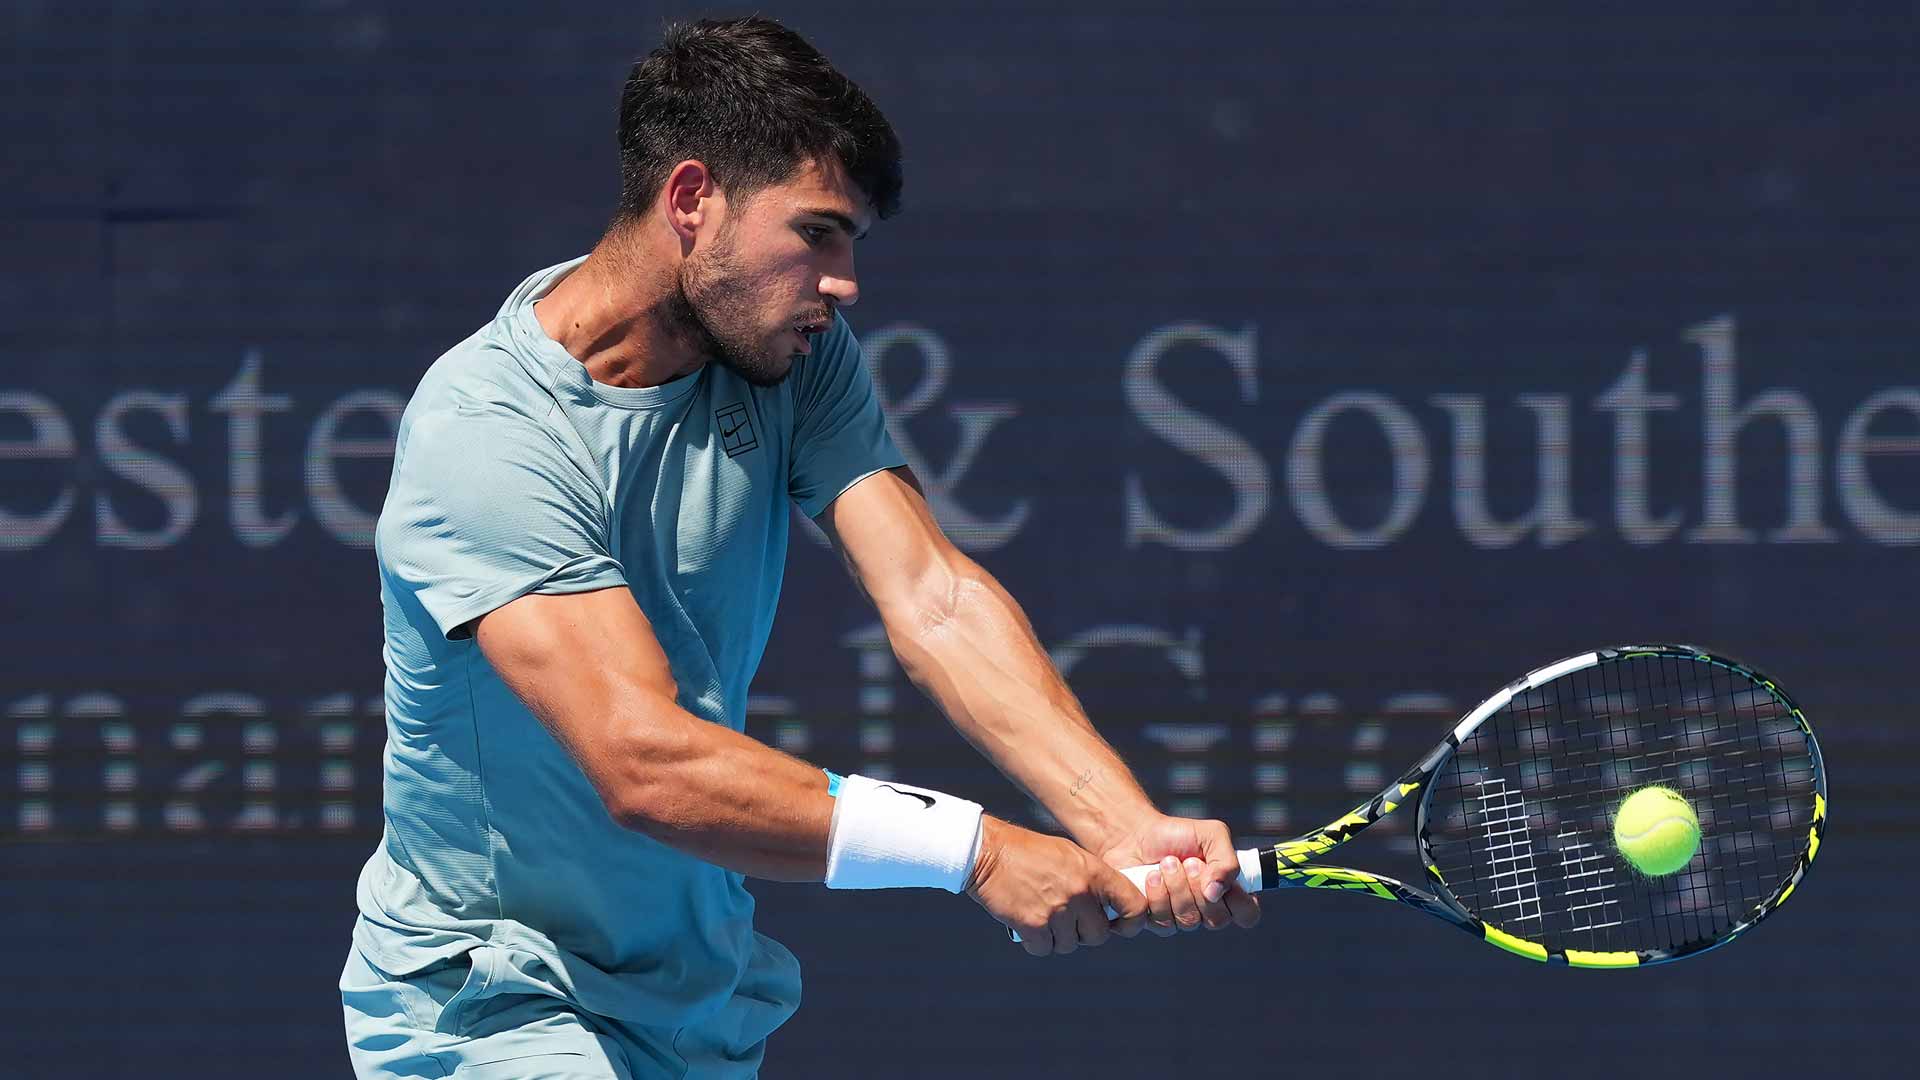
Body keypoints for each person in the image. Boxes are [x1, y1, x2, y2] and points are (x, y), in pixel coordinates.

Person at [340, 15, 1260, 1078]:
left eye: (853, 242)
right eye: (816, 233)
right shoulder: (487, 434)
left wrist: (1121, 822)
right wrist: (977, 850)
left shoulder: (794, 354)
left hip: (701, 1006)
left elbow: (933, 598)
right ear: (691, 201)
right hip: (492, 1003)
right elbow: (644, 762)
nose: (845, 280)